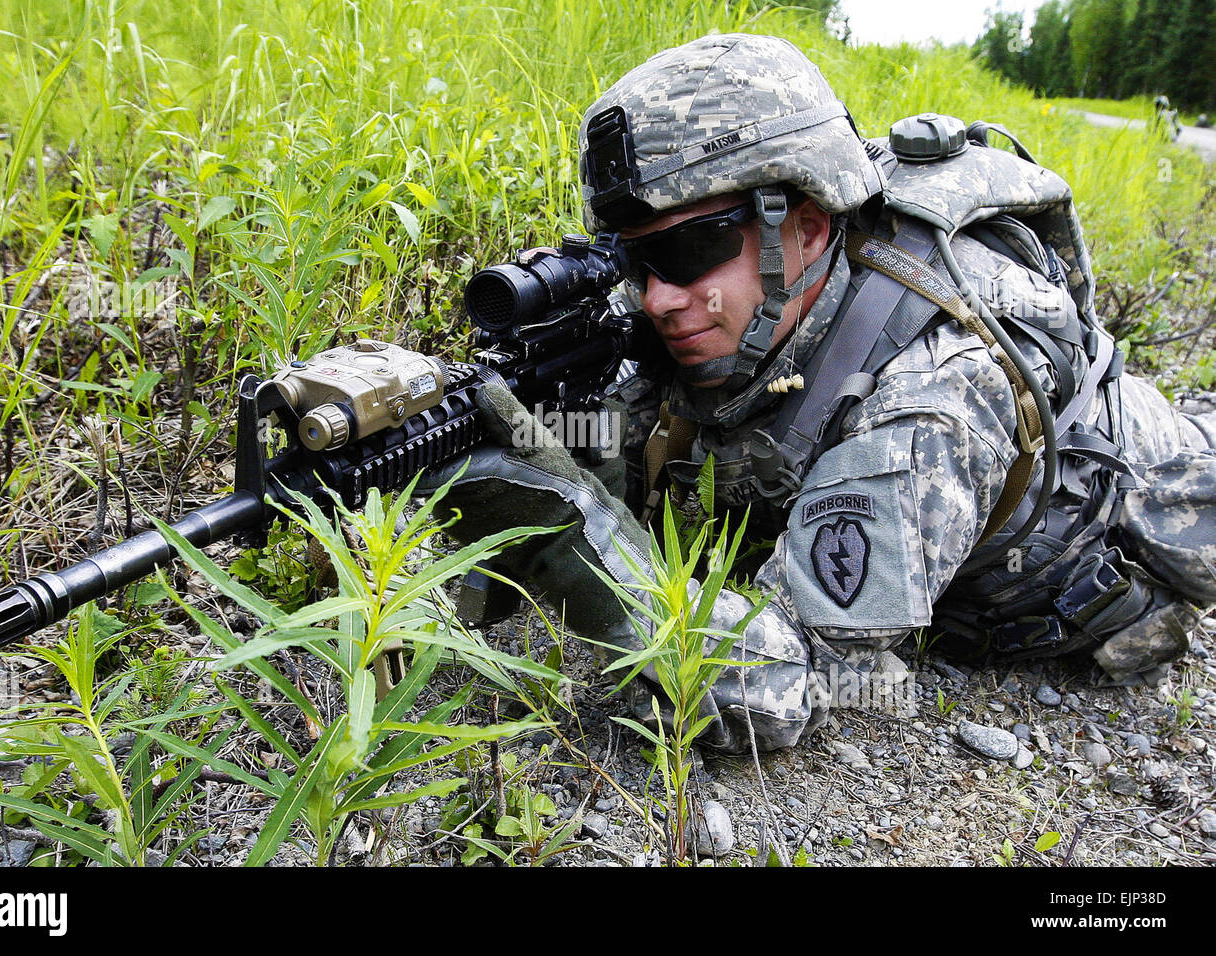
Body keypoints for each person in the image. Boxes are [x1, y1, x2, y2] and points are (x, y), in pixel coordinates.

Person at [421, 34, 1216, 753]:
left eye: (693, 248)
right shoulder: (733, 307)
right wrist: (502, 445)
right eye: (633, 264)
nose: (657, 298)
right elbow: (617, 437)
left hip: (1150, 528)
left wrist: (568, 531)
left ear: (804, 226)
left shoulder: (929, 398)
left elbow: (789, 683)